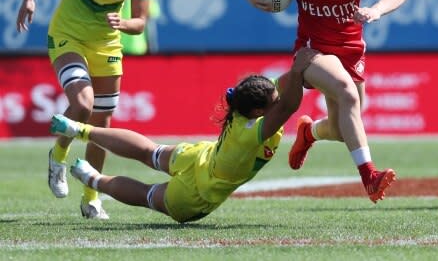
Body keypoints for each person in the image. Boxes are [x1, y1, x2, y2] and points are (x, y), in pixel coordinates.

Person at [242, 0, 410, 203]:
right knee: (347, 93)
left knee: (344, 129)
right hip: (312, 51)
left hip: (350, 49)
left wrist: (376, 10)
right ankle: (370, 176)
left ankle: (310, 133)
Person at [47, 47, 319, 223]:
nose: (277, 97)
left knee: (148, 151)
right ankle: (92, 178)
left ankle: (80, 129)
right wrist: (298, 70)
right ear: (259, 110)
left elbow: (282, 90)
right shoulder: (255, 131)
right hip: (197, 194)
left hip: (197, 157)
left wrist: (301, 69)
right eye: (273, 100)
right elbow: (288, 105)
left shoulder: (243, 108)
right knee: (146, 194)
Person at [15, 0, 155, 219]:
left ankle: (92, 195)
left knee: (102, 126)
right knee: (83, 104)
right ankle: (58, 155)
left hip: (106, 45)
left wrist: (124, 23)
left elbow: (140, 23)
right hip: (68, 35)